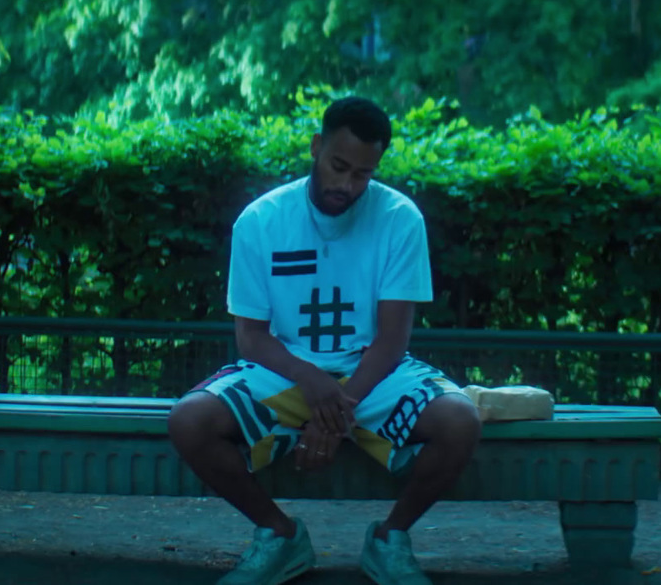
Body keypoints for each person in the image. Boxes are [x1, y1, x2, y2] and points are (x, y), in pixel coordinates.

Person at [167, 96, 483, 585]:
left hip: (375, 376)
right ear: (315, 148)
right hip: (285, 373)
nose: (347, 184)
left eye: (363, 174)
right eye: (338, 165)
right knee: (189, 421)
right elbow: (250, 337)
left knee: (460, 420)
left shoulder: (401, 219)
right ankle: (279, 534)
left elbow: (393, 339)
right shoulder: (261, 220)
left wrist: (338, 409)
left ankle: (389, 539)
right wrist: (311, 381)